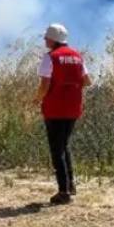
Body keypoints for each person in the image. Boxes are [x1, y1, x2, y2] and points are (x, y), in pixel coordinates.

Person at [35, 23, 91, 205]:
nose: (44, 39)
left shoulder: (50, 57)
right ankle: (71, 184)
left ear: (53, 39)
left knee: (56, 150)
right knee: (64, 145)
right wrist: (71, 89)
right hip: (73, 108)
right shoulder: (77, 56)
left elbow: (44, 86)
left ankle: (63, 192)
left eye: (46, 37)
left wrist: (36, 99)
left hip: (55, 109)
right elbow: (87, 81)